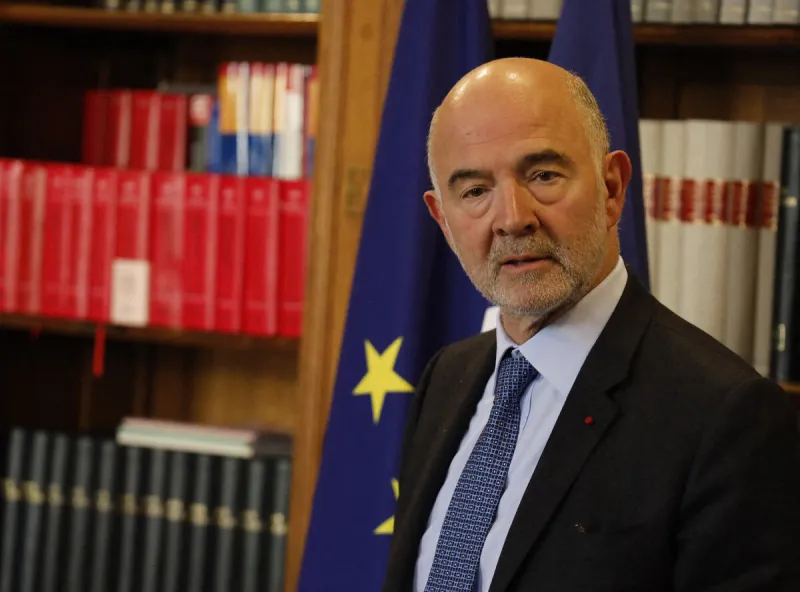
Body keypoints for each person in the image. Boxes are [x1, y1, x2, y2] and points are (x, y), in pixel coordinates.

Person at [382, 57, 800, 592]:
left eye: (543, 175)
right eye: (474, 191)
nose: (512, 217)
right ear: (442, 218)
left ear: (612, 188)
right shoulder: (447, 377)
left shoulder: (725, 417)